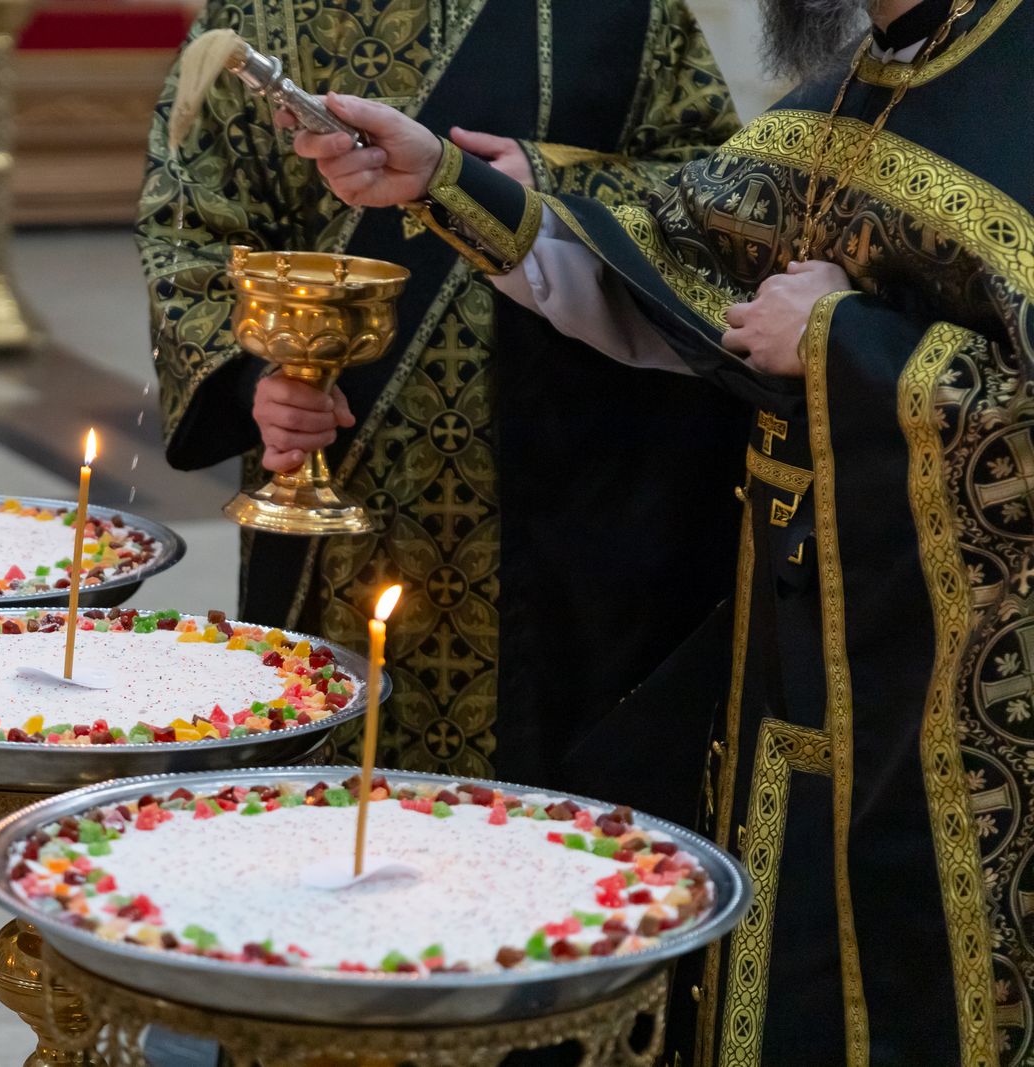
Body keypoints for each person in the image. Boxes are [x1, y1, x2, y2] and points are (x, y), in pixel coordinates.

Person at [289, 0, 1034, 1061]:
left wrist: (843, 340)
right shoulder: (859, 88)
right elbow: (675, 252)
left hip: (972, 694)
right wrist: (443, 179)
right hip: (802, 654)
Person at [139, 0, 748, 810]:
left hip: (572, 496)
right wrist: (260, 381)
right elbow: (186, 227)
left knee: (544, 827)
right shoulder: (267, 11)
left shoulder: (632, 11)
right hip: (342, 481)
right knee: (328, 809)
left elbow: (717, 201)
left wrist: (539, 184)